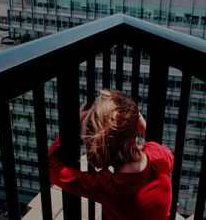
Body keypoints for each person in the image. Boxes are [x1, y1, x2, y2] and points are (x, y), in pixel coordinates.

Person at [49, 89, 174, 219]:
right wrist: (139, 120)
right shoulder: (159, 158)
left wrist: (70, 128)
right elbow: (164, 152)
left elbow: (51, 168)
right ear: (135, 125)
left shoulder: (109, 187)